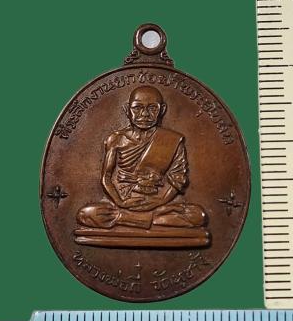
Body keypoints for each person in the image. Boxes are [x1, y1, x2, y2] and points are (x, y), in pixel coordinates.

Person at [76, 86, 207, 231]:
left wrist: (159, 201)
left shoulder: (173, 140)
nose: (145, 114)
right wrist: (120, 201)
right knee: (85, 214)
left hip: (159, 203)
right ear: (127, 109)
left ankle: (128, 219)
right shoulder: (116, 139)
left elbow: (178, 179)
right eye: (137, 108)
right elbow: (106, 177)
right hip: (124, 202)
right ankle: (149, 219)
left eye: (152, 108)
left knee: (198, 215)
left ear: (162, 110)